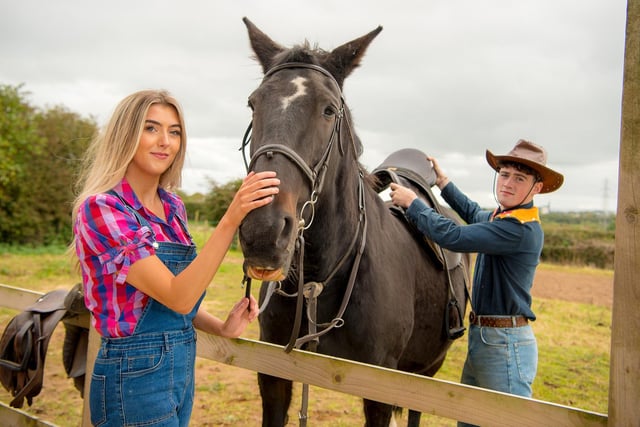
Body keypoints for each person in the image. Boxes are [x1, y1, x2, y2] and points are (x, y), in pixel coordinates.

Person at [71, 89, 279, 426]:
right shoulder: (102, 209)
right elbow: (179, 297)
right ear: (126, 135)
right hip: (133, 373)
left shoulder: (172, 207)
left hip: (180, 364)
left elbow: (170, 301)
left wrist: (222, 327)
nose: (165, 141)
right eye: (151, 128)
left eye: (175, 131)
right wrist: (231, 218)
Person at [389, 139, 563, 426]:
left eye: (520, 178)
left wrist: (413, 204)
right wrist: (444, 183)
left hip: (504, 345)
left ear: (537, 188)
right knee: (470, 420)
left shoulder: (518, 229)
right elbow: (472, 213)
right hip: (486, 338)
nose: (508, 183)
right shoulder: (504, 218)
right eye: (504, 174)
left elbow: (454, 237)